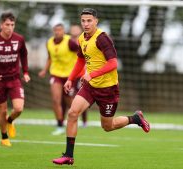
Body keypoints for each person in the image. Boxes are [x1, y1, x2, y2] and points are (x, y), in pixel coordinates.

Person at [52, 8, 150, 165]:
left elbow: (113, 63)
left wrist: (92, 74)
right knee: (72, 113)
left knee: (107, 126)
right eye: (83, 20)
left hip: (108, 90)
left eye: (89, 20)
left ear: (96, 21)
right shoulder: (82, 39)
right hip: (90, 87)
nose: (86, 24)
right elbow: (80, 60)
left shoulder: (102, 38)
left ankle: (135, 118)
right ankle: (68, 156)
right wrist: (70, 78)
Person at [0, 12, 30, 147]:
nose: (10, 27)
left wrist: (25, 72)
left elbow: (24, 55)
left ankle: (10, 121)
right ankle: (4, 137)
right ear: (1, 25)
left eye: (12, 25)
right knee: (2, 111)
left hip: (14, 79)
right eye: (7, 25)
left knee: (19, 108)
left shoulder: (19, 39)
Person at [38, 23, 82, 135]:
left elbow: (81, 54)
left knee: (70, 102)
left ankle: (73, 121)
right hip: (55, 74)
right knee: (55, 100)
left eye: (60, 30)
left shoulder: (70, 42)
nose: (58, 32)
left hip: (69, 76)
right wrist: (44, 70)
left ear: (64, 31)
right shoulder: (49, 42)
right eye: (56, 30)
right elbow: (49, 58)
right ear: (53, 31)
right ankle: (59, 125)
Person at [69, 24, 88, 127]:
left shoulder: (83, 40)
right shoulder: (68, 42)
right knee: (69, 98)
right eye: (73, 29)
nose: (74, 30)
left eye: (76, 29)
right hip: (70, 74)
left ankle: (84, 122)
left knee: (82, 98)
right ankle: (66, 120)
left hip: (81, 74)